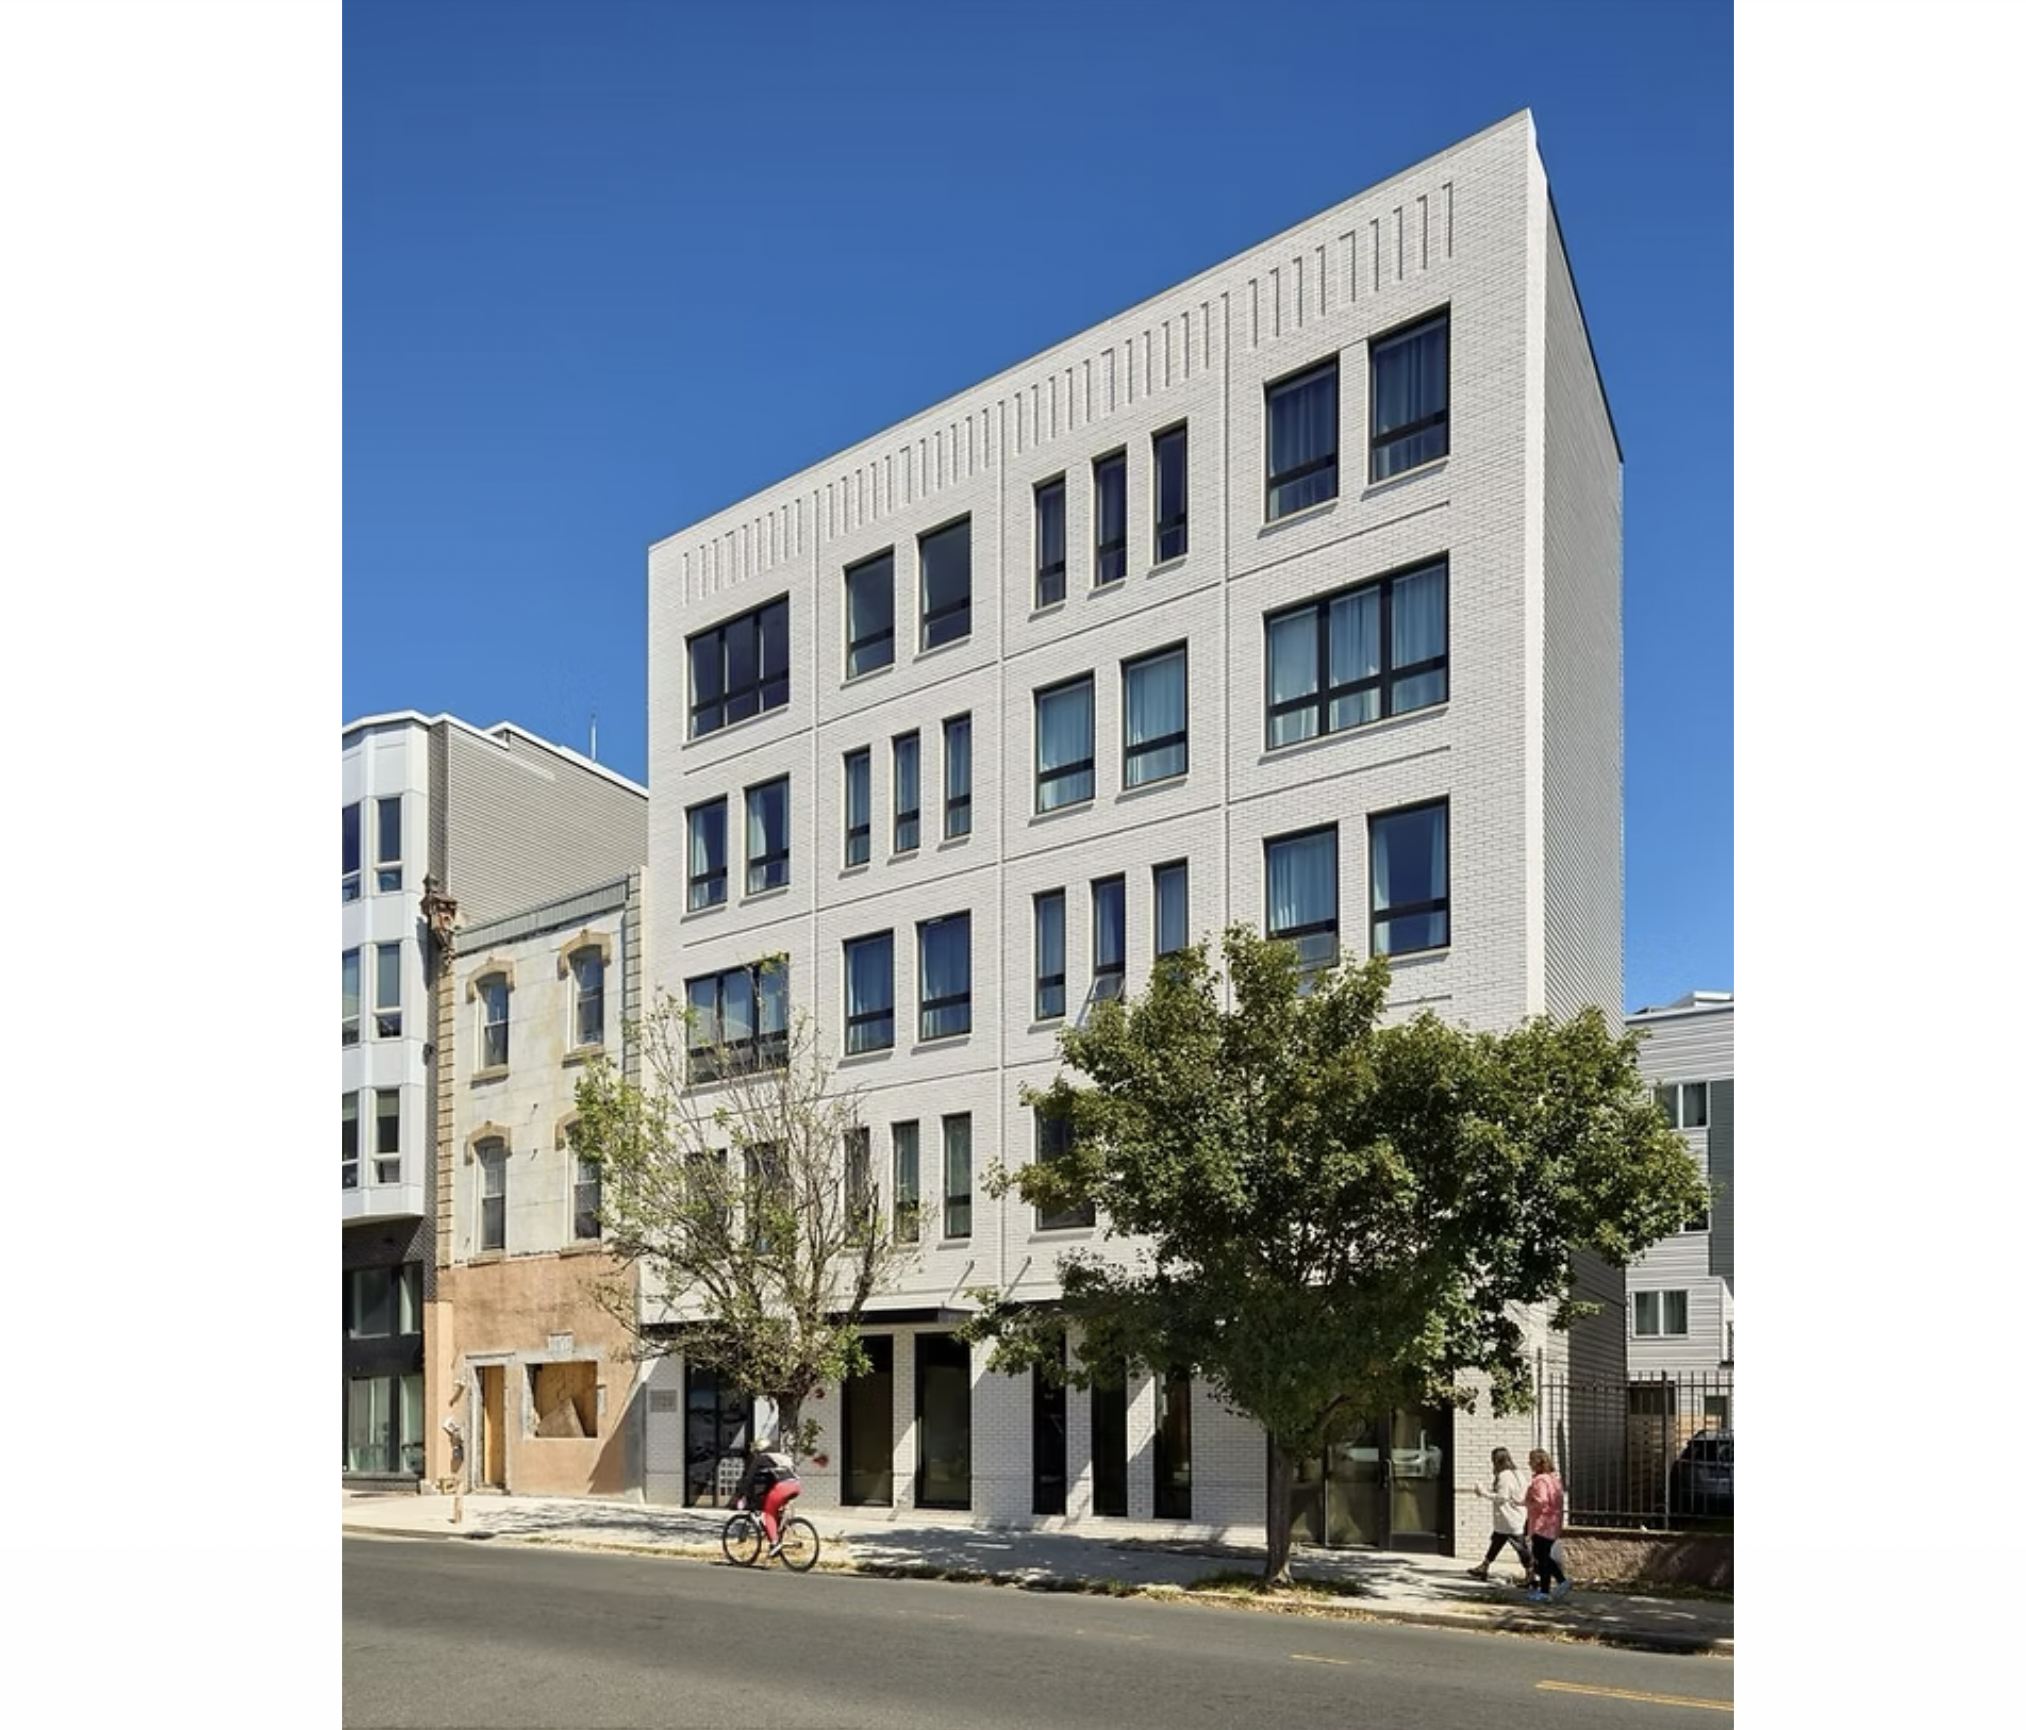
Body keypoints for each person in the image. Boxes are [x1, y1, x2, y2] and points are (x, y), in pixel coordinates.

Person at [1465, 1447, 1532, 1584]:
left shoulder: (1504, 1476)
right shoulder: (1518, 1473)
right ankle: (1484, 1566)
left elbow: (1502, 1497)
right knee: (1497, 1541)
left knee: (1520, 1547)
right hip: (1516, 1516)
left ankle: (1531, 1573)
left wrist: (1483, 1493)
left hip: (1508, 1518)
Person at [734, 1437, 802, 1553]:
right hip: (796, 1485)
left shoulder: (761, 1458)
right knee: (775, 1509)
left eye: (755, 1452)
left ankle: (774, 1544)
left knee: (768, 1514)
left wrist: (740, 1494)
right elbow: (772, 1480)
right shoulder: (780, 1457)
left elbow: (749, 1478)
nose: (755, 1454)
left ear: (759, 1450)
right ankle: (779, 1533)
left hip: (782, 1487)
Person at [1524, 1448, 1571, 1602]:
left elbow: (1541, 1502)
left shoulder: (1540, 1481)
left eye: (1531, 1461)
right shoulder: (1554, 1479)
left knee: (1541, 1558)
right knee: (1543, 1557)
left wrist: (1528, 1502)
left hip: (1542, 1524)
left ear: (1537, 1463)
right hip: (1553, 1523)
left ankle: (1550, 1588)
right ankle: (1557, 1583)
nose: (1528, 1464)